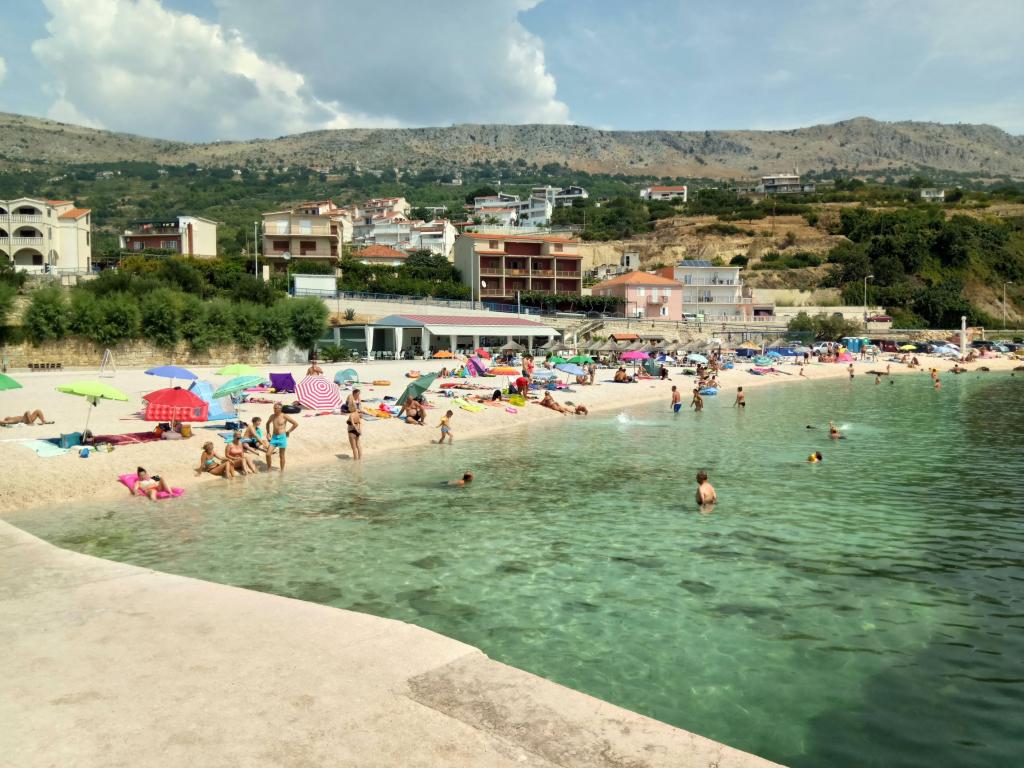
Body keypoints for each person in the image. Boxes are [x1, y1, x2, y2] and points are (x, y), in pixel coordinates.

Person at [266, 402, 298, 471]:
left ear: (280, 409)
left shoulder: (284, 416)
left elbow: (295, 424)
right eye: (274, 408)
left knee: (281, 455)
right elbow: (267, 423)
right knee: (268, 454)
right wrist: (268, 432)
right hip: (274, 437)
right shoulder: (272, 416)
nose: (274, 409)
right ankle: (269, 469)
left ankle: (282, 471)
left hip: (282, 437)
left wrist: (289, 431)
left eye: (276, 408)